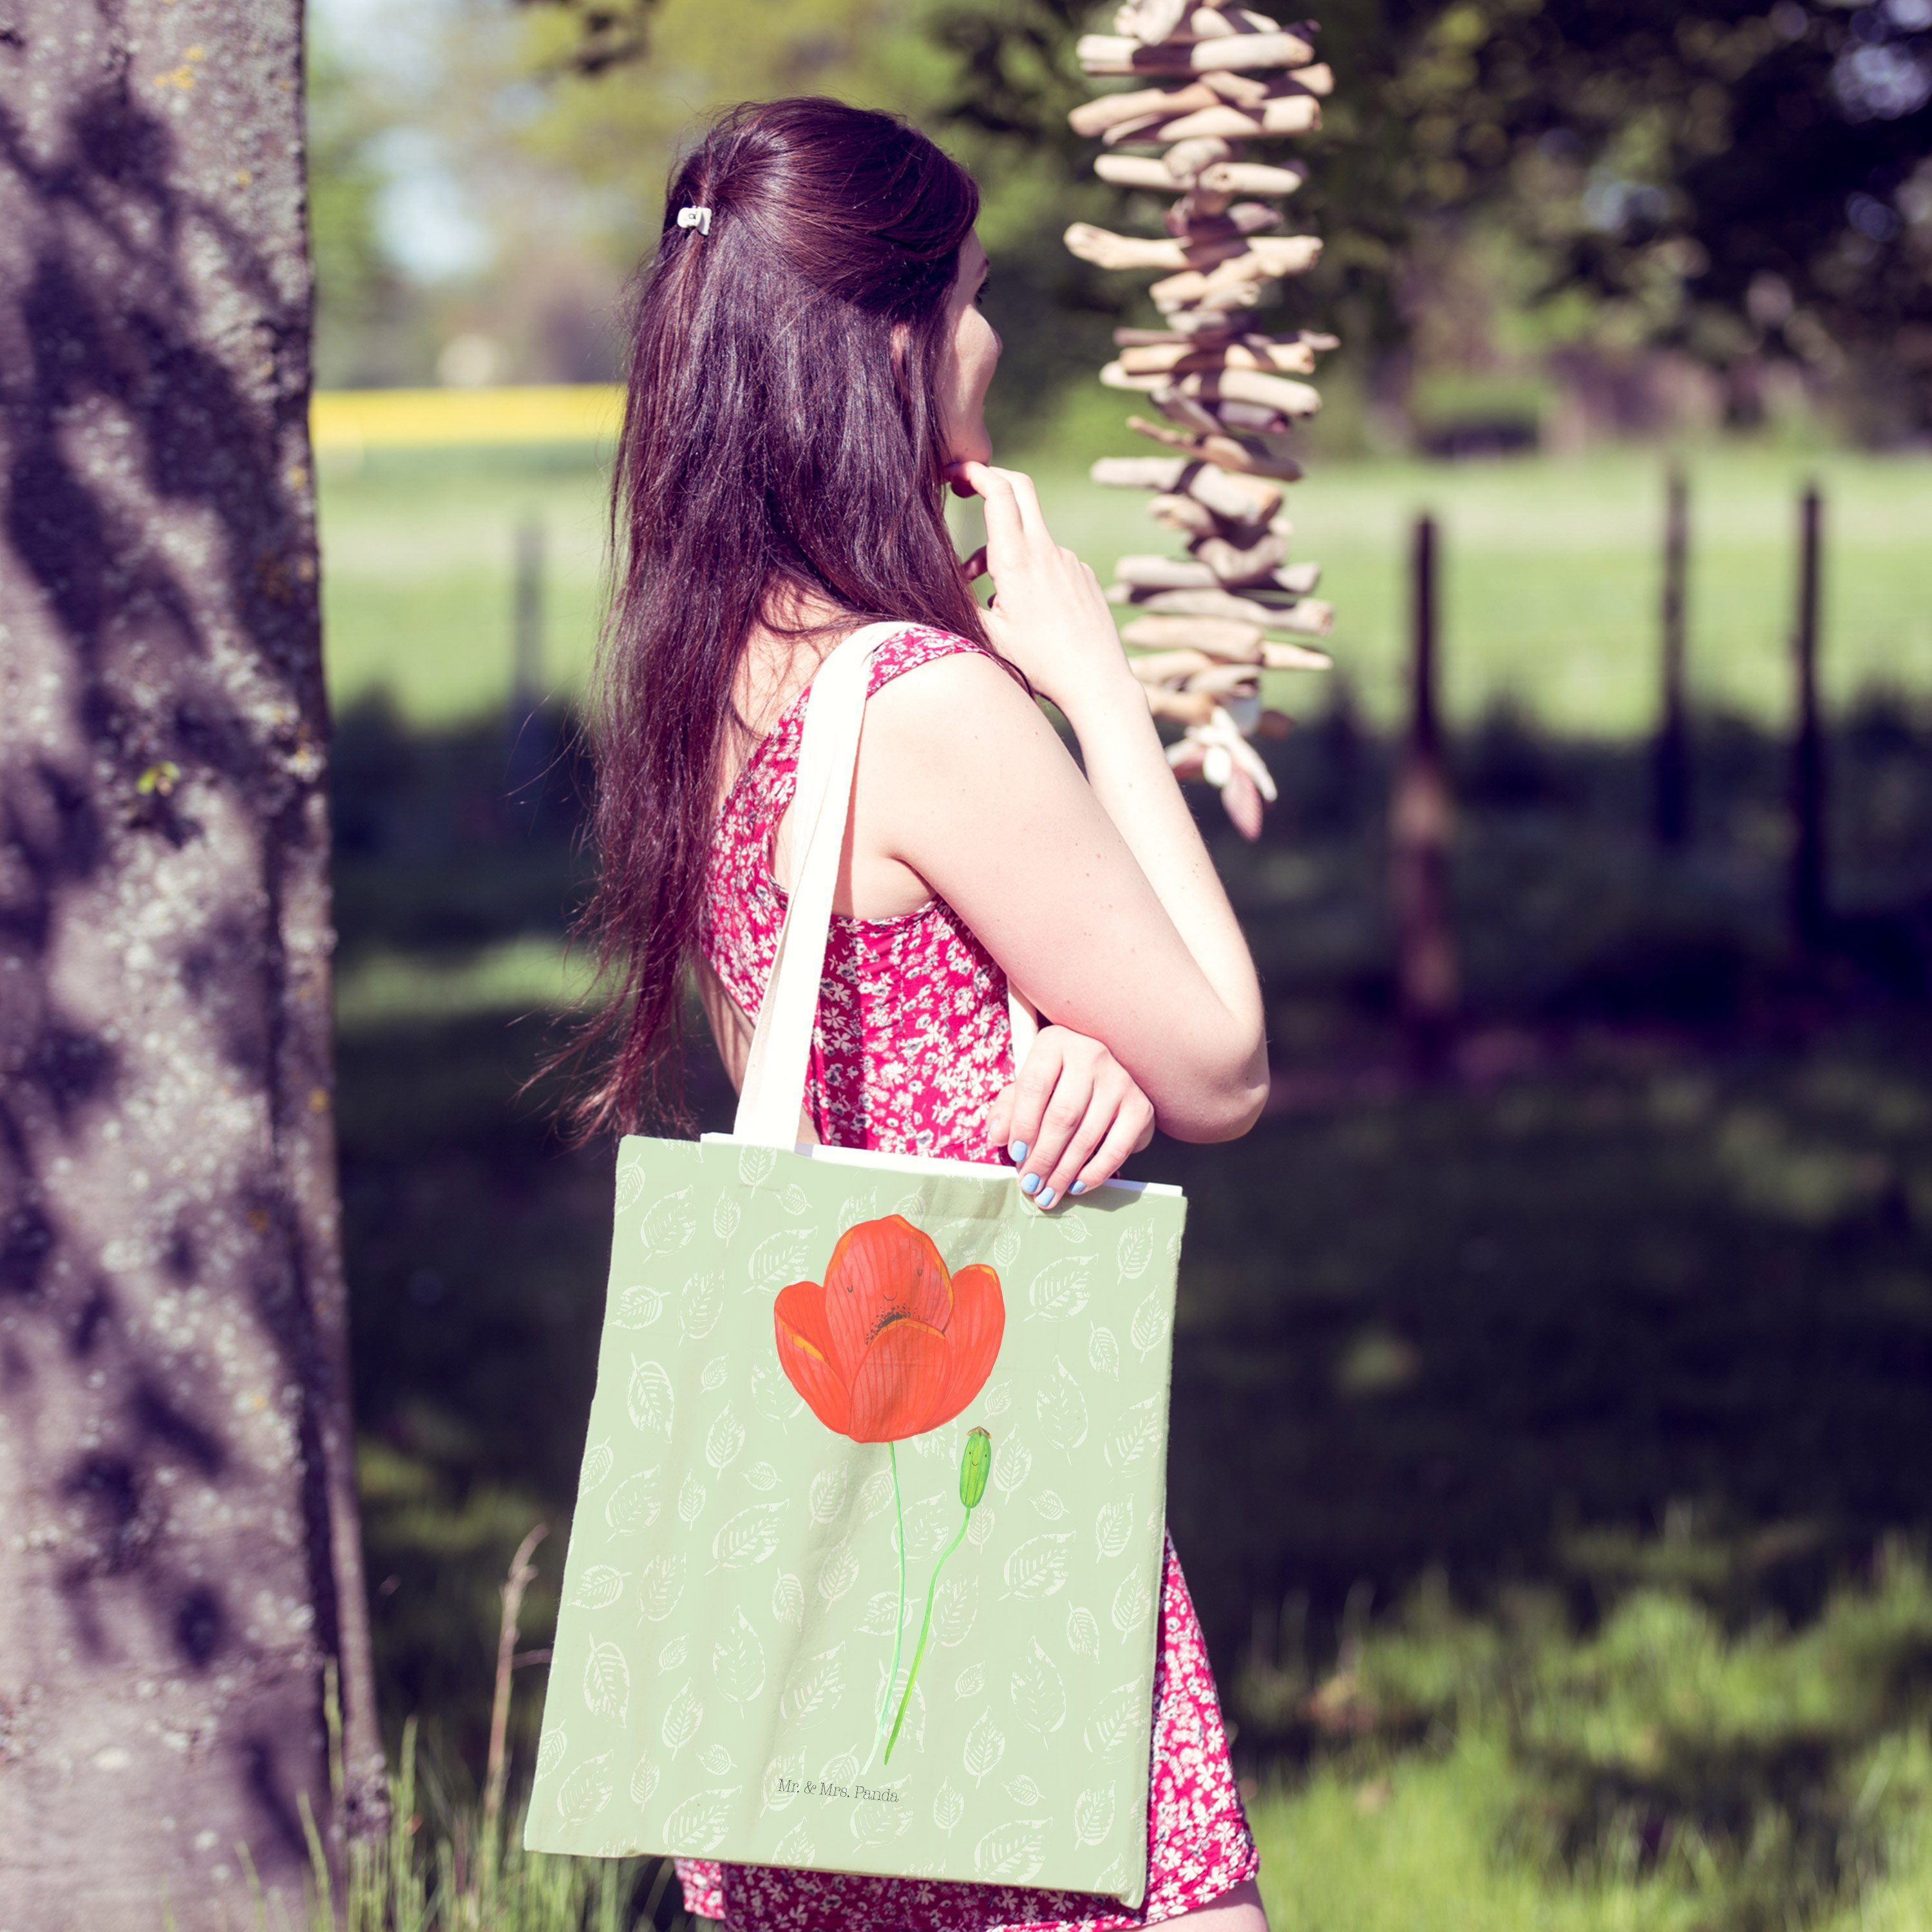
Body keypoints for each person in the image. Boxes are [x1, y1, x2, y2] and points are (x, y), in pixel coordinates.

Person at [566, 95, 1272, 1932]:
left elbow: (827, 1049)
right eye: (966, 295)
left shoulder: (709, 672)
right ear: (886, 342)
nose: (993, 337)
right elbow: (1224, 1061)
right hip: (989, 1520)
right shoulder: (927, 706)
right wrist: (1100, 688)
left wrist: (1054, 1040)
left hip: (796, 1572)